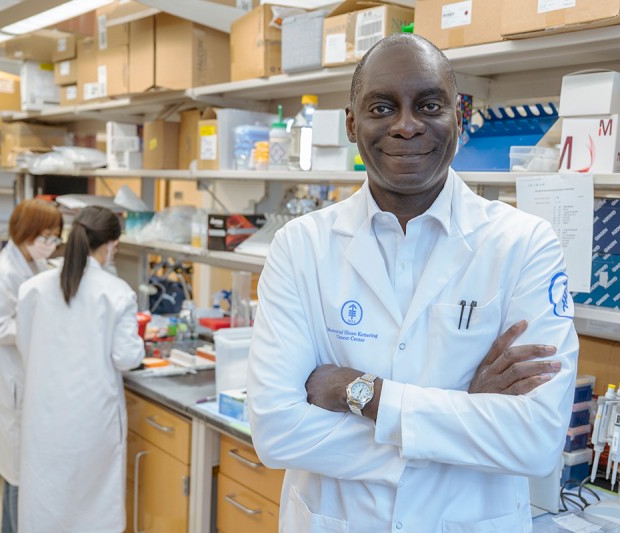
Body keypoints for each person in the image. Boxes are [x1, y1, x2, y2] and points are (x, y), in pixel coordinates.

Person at [247, 33, 579, 532]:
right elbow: (277, 431)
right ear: (353, 124)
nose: (406, 125)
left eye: (429, 105)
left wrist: (358, 391)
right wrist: (465, 414)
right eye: (383, 107)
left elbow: (535, 440)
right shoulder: (301, 246)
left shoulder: (523, 243)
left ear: (459, 120)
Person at [14, 206, 144, 533]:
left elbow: (25, 344)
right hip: (92, 423)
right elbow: (126, 358)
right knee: (92, 511)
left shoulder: (34, 288)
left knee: (45, 502)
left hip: (43, 419)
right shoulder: (116, 292)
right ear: (112, 245)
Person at [0, 198, 62, 533]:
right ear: (25, 232)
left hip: (29, 378)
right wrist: (38, 328)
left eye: (55, 237)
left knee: (19, 474)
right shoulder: (5, 271)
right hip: (15, 382)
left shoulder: (34, 265)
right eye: (45, 236)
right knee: (18, 475)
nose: (50, 244)